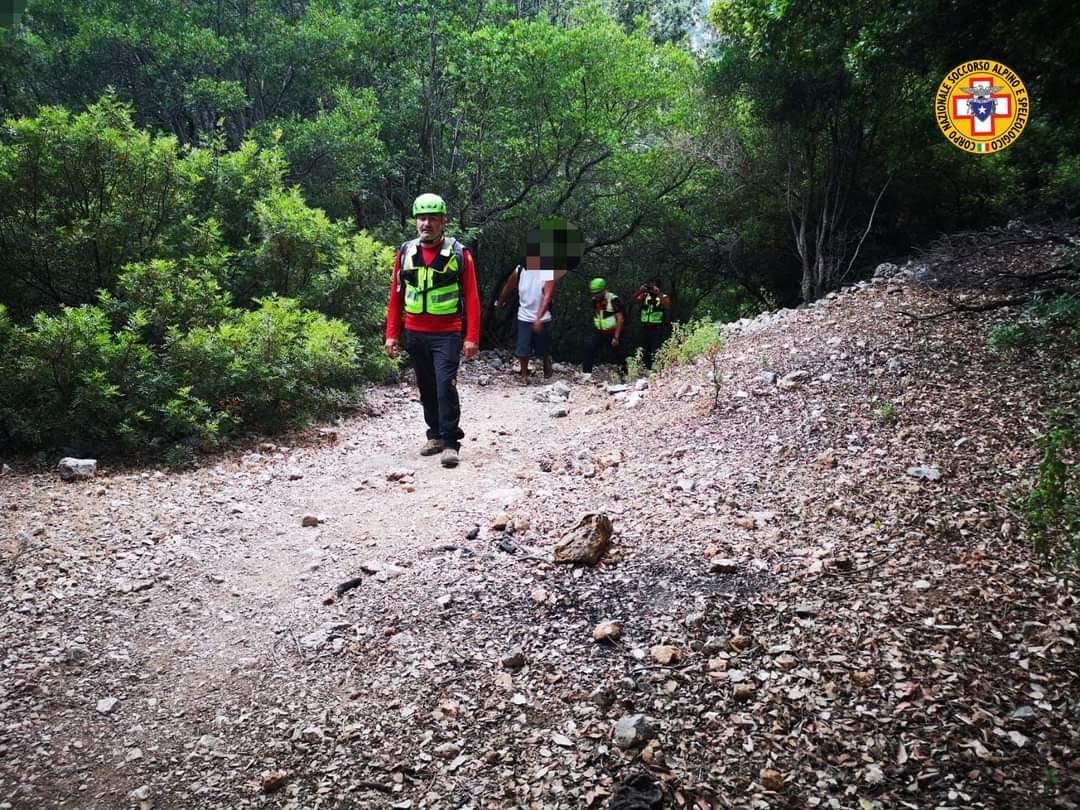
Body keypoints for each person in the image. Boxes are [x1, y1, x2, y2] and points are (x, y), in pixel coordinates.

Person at [385, 193, 480, 468]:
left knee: (444, 385)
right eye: (422, 218)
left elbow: (472, 297)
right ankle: (435, 435)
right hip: (415, 333)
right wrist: (392, 334)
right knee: (426, 386)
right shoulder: (405, 252)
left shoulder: (459, 253)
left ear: (443, 222)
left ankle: (450, 442)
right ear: (416, 221)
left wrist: (471, 337)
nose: (426, 223)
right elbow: (396, 296)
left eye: (432, 219)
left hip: (447, 333)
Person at [494, 259, 557, 385]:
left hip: (543, 317)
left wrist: (538, 317)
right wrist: (500, 302)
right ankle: (524, 375)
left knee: (542, 347)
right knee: (523, 348)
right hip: (524, 315)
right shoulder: (520, 270)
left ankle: (546, 360)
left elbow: (548, 296)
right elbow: (508, 286)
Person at [582, 277, 625, 377]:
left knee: (618, 354)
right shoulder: (594, 300)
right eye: (594, 293)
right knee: (589, 348)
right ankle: (586, 374)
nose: (595, 295)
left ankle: (625, 375)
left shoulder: (614, 300)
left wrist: (616, 337)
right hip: (600, 331)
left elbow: (620, 319)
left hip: (613, 331)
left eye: (597, 293)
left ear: (603, 290)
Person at [631, 280, 672, 369]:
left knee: (655, 349)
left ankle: (656, 368)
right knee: (643, 349)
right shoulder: (645, 296)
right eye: (650, 286)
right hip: (644, 327)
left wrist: (658, 293)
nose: (651, 288)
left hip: (656, 328)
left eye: (653, 286)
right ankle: (645, 368)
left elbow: (667, 306)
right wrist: (640, 291)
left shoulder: (663, 297)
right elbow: (633, 300)